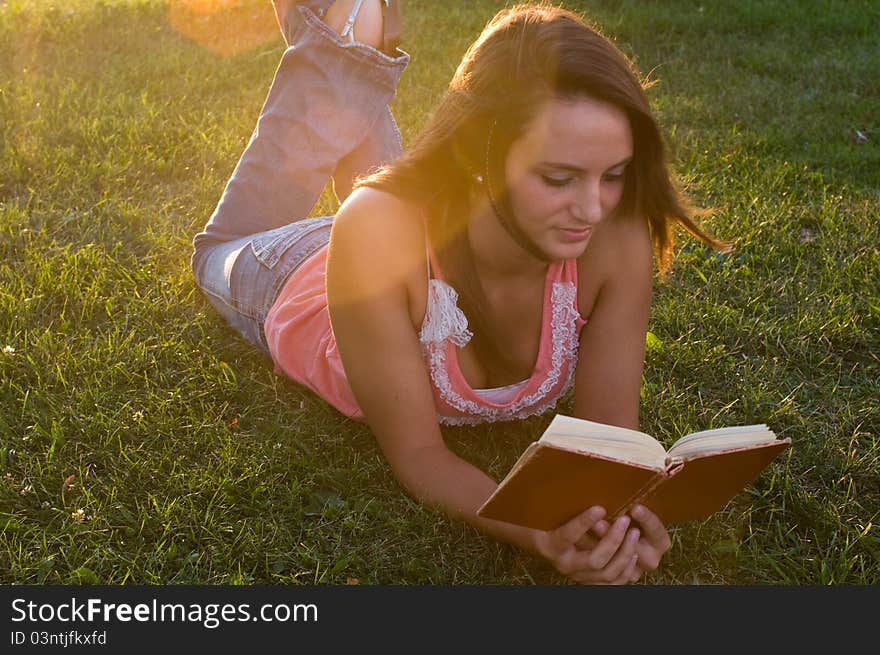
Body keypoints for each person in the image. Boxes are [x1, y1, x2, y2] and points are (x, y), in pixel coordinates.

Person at [191, 0, 724, 584]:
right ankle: (334, 43)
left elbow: (608, 447)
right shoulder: (376, 231)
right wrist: (537, 532)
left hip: (428, 233)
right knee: (223, 248)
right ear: (483, 158)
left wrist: (622, 518)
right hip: (294, 270)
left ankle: (351, 42)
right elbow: (420, 457)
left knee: (389, 200)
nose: (593, 208)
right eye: (559, 177)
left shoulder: (611, 238)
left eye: (614, 174)